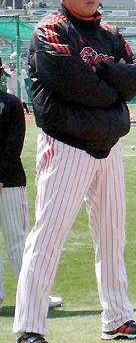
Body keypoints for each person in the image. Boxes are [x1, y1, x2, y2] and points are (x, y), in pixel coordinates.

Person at [13, 0, 136, 343]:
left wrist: (107, 78)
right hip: (67, 146)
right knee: (48, 237)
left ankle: (117, 318)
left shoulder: (110, 33)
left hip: (108, 146)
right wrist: (113, 82)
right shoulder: (50, 31)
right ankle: (29, 330)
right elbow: (77, 85)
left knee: (112, 236)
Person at [0, 58, 61, 314]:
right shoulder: (12, 103)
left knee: (20, 241)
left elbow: (13, 145)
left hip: (10, 182)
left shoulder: (12, 104)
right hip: (9, 180)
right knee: (20, 241)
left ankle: (35, 296)